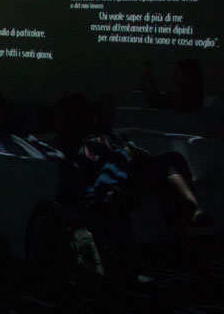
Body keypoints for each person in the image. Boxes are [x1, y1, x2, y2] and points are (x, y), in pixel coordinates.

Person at [52, 93, 207, 228]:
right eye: (80, 114)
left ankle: (191, 211)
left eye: (88, 112)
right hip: (107, 178)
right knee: (123, 157)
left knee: (172, 161)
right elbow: (80, 164)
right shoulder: (73, 140)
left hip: (129, 172)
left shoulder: (104, 134)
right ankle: (191, 211)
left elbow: (108, 102)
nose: (86, 117)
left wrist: (133, 153)